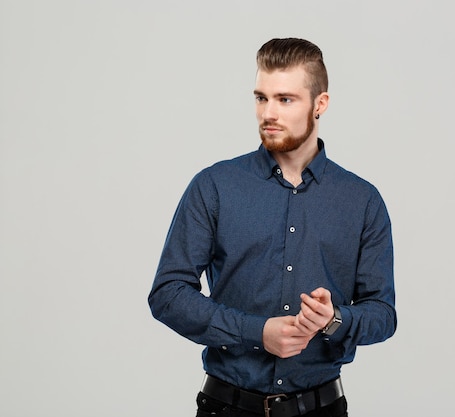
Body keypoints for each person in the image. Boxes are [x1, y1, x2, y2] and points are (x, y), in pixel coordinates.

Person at [148, 37, 397, 417]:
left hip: (321, 408)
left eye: (285, 99)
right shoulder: (214, 186)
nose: (269, 113)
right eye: (261, 98)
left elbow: (383, 313)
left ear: (320, 104)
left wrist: (334, 320)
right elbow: (167, 293)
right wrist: (256, 332)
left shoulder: (362, 201)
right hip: (227, 407)